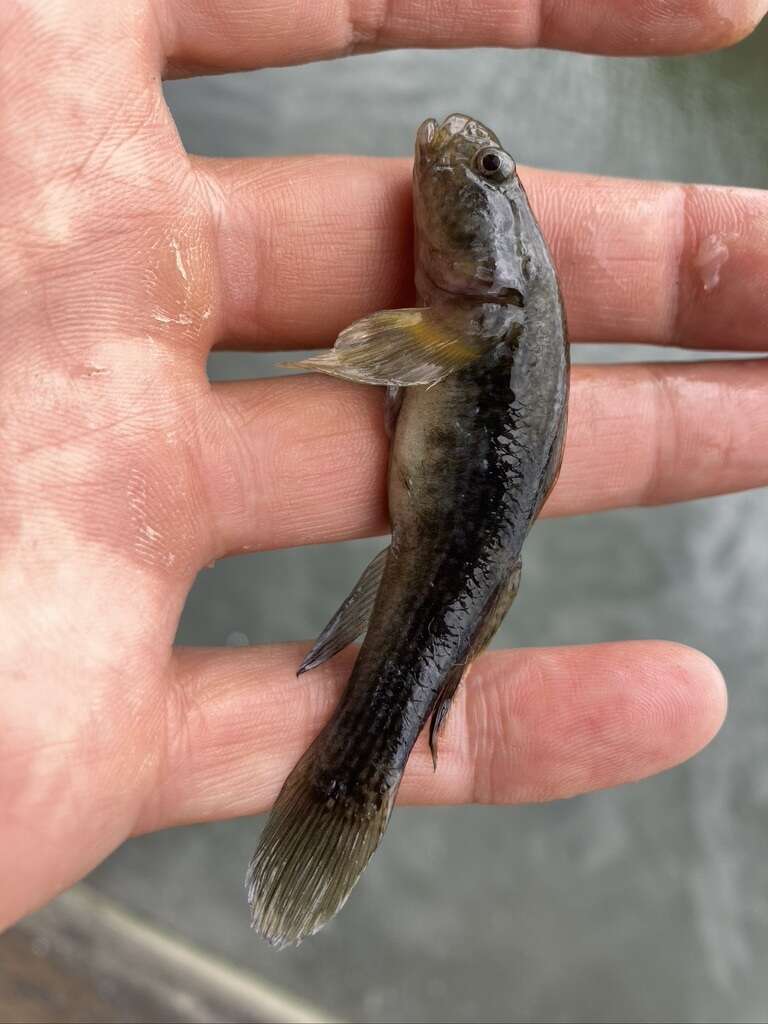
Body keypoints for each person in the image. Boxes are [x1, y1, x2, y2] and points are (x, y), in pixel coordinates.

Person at [2, 0, 767, 933]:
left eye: (489, 172)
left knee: (419, 648)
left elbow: (392, 350)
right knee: (440, 618)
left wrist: (352, 356)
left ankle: (356, 776)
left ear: (502, 273)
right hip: (460, 543)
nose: (464, 157)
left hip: (453, 544)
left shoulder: (477, 319)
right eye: (490, 168)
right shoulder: (476, 316)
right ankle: (357, 782)